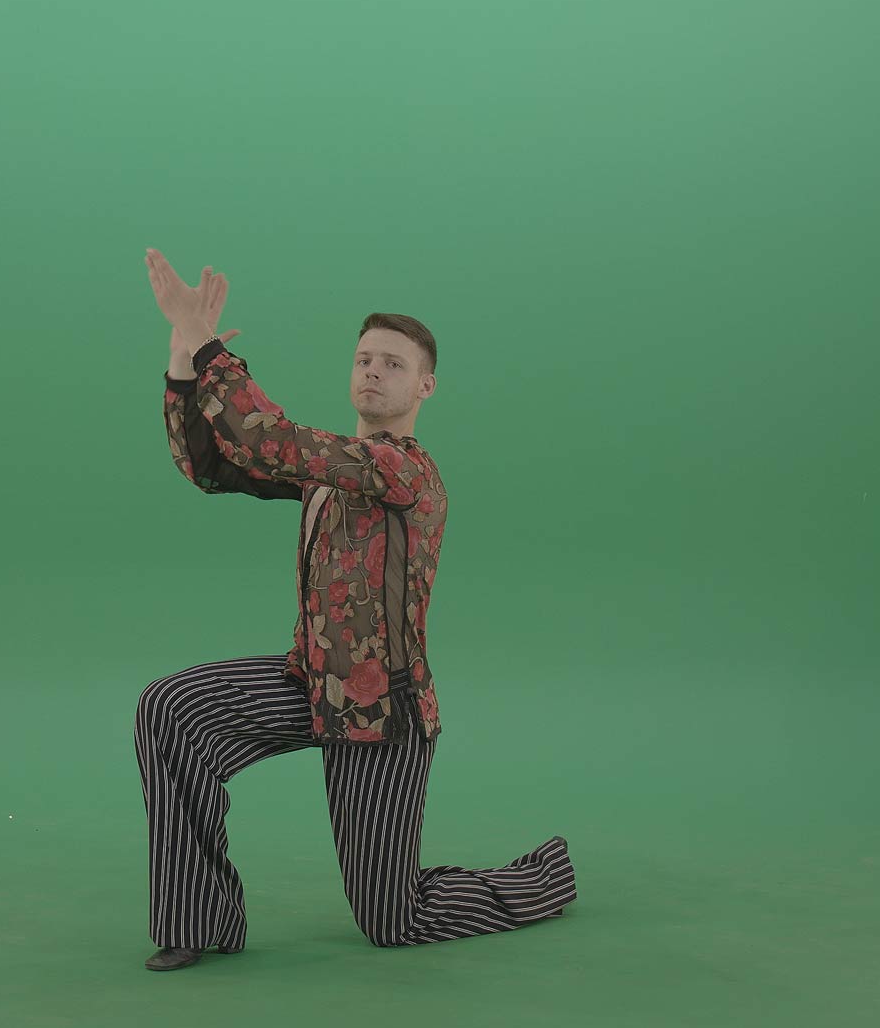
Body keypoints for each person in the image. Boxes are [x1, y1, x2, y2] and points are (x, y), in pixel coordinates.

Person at [135, 248, 577, 971]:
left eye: (393, 364)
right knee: (171, 711)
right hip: (311, 683)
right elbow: (212, 466)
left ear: (425, 386)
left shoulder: (405, 469)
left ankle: (545, 879)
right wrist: (184, 359)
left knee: (393, 918)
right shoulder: (330, 473)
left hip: (383, 713)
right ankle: (197, 919)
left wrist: (208, 343)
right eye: (364, 358)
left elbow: (270, 438)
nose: (373, 370)